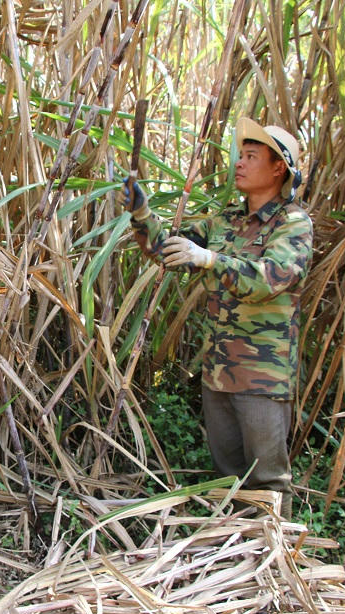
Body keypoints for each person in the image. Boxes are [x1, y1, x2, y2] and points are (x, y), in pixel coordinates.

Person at [122, 117, 312, 517]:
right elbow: (166, 248)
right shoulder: (225, 222)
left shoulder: (292, 224)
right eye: (239, 155)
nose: (239, 164)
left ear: (279, 168)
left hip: (263, 378)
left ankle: (274, 566)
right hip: (219, 374)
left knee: (268, 486)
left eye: (251, 156)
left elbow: (269, 280)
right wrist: (141, 211)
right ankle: (234, 561)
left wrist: (208, 258)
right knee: (228, 476)